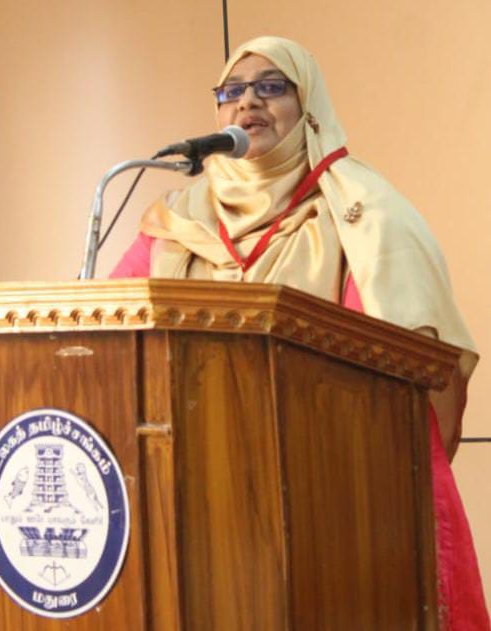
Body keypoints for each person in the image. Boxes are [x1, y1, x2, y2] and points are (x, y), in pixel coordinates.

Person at [111, 36, 489, 629]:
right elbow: (113, 326)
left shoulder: (363, 213)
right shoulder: (178, 219)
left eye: (271, 87)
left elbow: (396, 374)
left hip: (334, 491)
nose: (247, 103)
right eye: (232, 91)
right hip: (197, 489)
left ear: (308, 105)